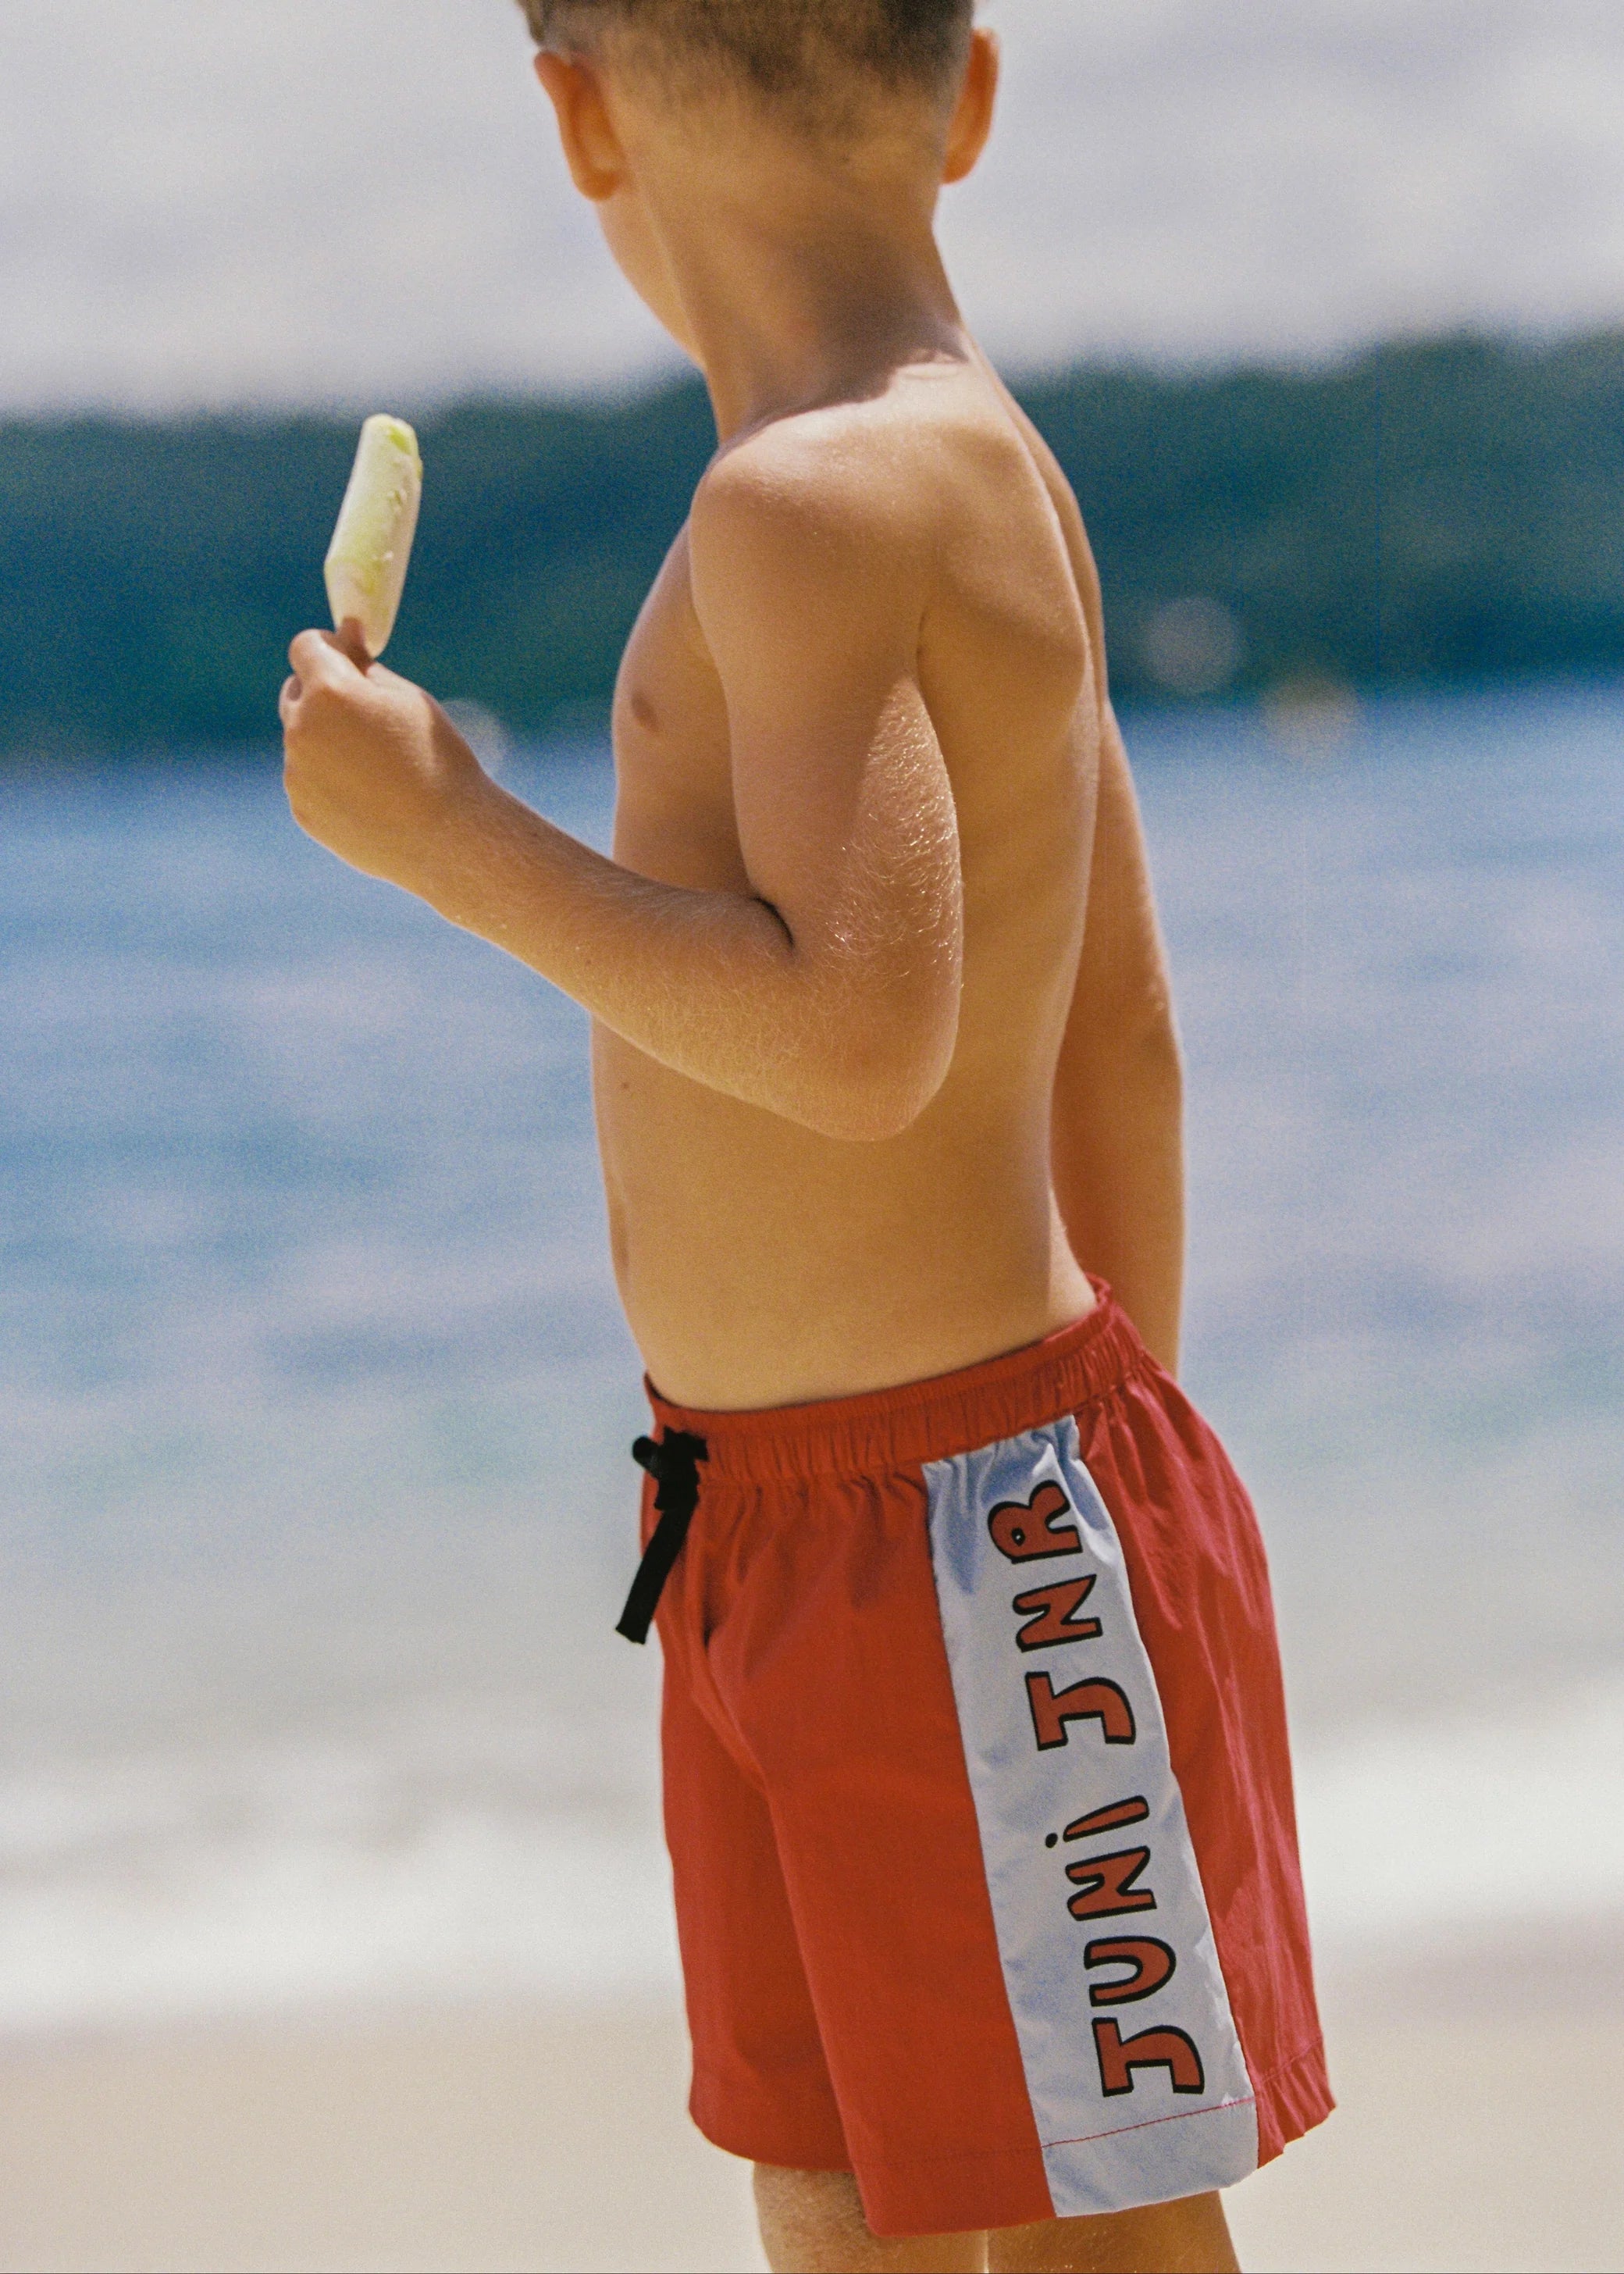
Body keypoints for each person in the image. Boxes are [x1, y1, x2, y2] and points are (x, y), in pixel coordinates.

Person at [279, 3, 1332, 2265]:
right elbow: (1122, 1033)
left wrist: (448, 834)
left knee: (1075, 2217)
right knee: (843, 2172)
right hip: (792, 1510)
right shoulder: (980, 465)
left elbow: (859, 1041)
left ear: (578, 114)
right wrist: (1115, 1446)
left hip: (950, 1509)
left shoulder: (805, 504)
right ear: (971, 95)